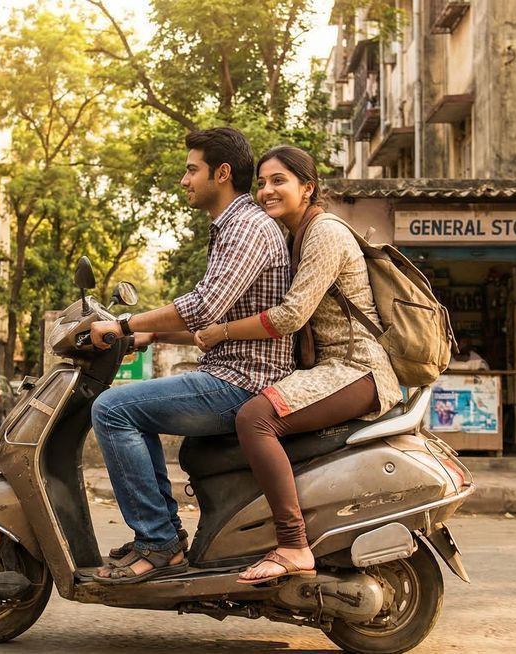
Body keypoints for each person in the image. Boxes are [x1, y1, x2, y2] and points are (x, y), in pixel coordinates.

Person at [86, 127, 292, 583]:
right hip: (232, 370)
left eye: (191, 169)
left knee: (112, 409)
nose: (184, 180)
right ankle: (161, 537)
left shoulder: (247, 227)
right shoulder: (234, 227)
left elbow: (203, 306)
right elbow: (211, 323)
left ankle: (158, 543)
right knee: (134, 410)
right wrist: (154, 338)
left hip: (241, 383)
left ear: (221, 173)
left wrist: (123, 324)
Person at [194, 145, 402, 584]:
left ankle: (293, 544)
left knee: (255, 418)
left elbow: (290, 316)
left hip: (356, 369)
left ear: (307, 188)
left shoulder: (325, 233)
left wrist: (224, 333)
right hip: (325, 370)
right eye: (263, 183)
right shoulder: (292, 236)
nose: (267, 191)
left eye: (279, 181)